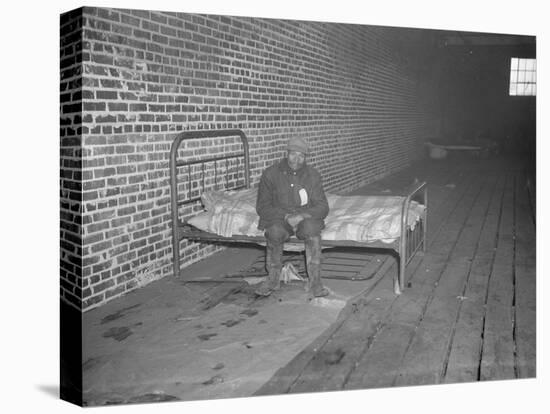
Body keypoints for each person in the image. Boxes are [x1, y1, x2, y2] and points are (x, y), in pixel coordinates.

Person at [255, 136, 330, 297]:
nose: (297, 159)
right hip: (280, 218)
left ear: (305, 158)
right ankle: (273, 280)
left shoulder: (312, 175)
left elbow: (323, 206)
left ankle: (315, 283)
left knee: (312, 232)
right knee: (274, 232)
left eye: (301, 156)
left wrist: (302, 216)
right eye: (293, 154)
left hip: (305, 218)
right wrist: (286, 216)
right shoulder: (270, 174)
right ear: (286, 153)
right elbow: (263, 207)